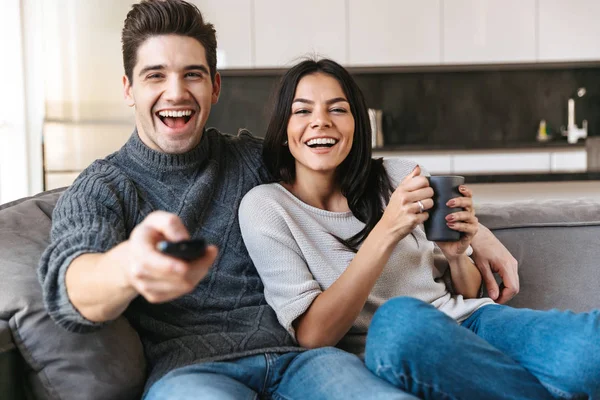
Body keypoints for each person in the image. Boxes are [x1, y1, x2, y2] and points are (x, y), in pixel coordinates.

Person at [37, 2, 419, 399]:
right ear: (129, 89)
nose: (176, 92)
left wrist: (470, 229)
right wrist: (131, 264)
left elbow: (360, 173)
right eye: (155, 76)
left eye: (193, 75)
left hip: (306, 361)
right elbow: (72, 287)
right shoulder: (104, 187)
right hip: (193, 374)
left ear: (215, 86)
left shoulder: (256, 160)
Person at [238, 58, 600, 400]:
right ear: (284, 131)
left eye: (337, 109)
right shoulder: (267, 207)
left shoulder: (398, 176)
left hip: (476, 323)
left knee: (586, 349)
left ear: (356, 125)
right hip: (400, 348)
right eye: (303, 110)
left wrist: (458, 256)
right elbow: (314, 336)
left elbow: (467, 291)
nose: (321, 121)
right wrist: (386, 231)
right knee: (399, 321)